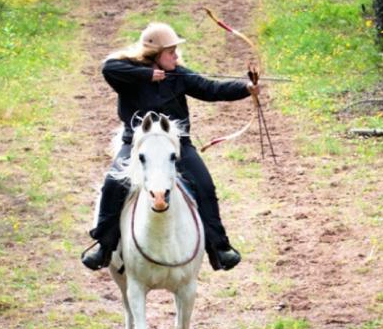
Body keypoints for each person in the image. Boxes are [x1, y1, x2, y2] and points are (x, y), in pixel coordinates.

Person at [82, 21, 259, 271]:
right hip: (137, 145)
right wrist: (146, 75)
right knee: (113, 183)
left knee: (204, 185)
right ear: (155, 55)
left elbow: (211, 88)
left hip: (177, 146)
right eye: (170, 52)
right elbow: (108, 68)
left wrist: (246, 88)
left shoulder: (179, 75)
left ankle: (218, 247)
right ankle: (104, 246)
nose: (176, 56)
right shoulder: (128, 74)